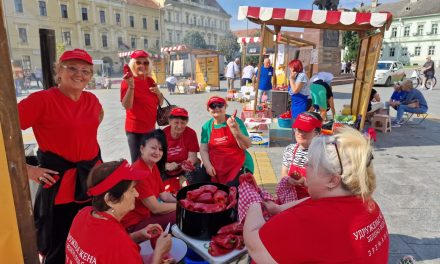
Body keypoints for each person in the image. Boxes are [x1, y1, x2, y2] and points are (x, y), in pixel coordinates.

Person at [241, 127, 389, 263]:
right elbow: (311, 200)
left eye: (311, 165)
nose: (305, 168)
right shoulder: (366, 201)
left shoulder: (309, 220)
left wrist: (253, 200)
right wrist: (278, 209)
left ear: (333, 180)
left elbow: (254, 243)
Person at [17, 49, 104, 263]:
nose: (79, 74)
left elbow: (95, 121)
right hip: (60, 186)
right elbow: (5, 131)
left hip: (91, 181)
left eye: (85, 70)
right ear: (58, 71)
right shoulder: (42, 100)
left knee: (87, 237)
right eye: (71, 68)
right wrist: (27, 169)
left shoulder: (92, 100)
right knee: (59, 243)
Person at [66, 160, 173, 264]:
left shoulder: (82, 214)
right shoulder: (121, 245)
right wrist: (159, 252)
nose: (136, 194)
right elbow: (116, 247)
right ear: (110, 199)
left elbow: (104, 248)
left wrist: (138, 236)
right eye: (132, 189)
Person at [122, 129, 177, 231]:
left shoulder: (152, 165)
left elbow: (164, 195)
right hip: (134, 223)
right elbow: (156, 209)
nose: (157, 152)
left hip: (147, 215)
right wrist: (182, 206)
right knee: (178, 215)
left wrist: (183, 199)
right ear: (142, 148)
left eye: (161, 149)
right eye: (153, 148)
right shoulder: (138, 171)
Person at [198, 96, 253, 187]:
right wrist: (207, 165)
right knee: (200, 184)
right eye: (213, 106)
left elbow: (246, 145)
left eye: (220, 105)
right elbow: (203, 149)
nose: (217, 108)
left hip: (239, 164)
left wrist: (235, 130)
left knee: (231, 190)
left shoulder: (235, 121)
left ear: (225, 107)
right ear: (208, 109)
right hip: (216, 166)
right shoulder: (206, 126)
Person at [121, 50, 164, 163]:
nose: (142, 66)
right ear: (133, 65)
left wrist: (158, 93)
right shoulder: (128, 81)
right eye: (138, 63)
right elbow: (127, 105)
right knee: (137, 162)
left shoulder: (150, 80)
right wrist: (131, 87)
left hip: (150, 129)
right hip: (136, 130)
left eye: (145, 63)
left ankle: (149, 181)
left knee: (151, 160)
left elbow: (160, 103)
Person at [275, 112, 322, 203]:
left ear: (317, 133)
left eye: (306, 130)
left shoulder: (322, 153)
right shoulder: (290, 149)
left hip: (312, 201)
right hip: (289, 200)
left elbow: (324, 185)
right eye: (299, 129)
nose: (300, 133)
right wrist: (289, 179)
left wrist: (304, 181)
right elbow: (284, 174)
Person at [162, 107, 200, 193]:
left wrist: (186, 164)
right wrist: (166, 165)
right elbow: (156, 158)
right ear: (169, 121)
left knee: (196, 167)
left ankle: (192, 191)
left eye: (183, 123)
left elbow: (193, 156)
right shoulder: (162, 134)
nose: (179, 126)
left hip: (183, 167)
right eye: (176, 122)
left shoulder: (191, 133)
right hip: (167, 167)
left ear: (187, 122)